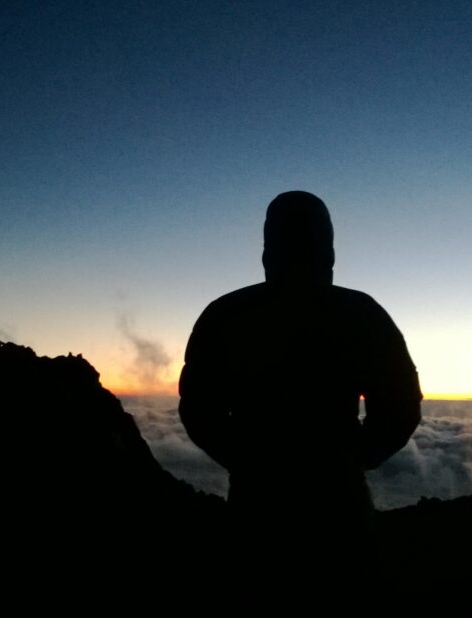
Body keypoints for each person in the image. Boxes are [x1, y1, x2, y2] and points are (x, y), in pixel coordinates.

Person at [179, 191, 422, 525]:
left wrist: (248, 462)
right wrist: (348, 461)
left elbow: (199, 409)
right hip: (341, 504)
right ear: (331, 252)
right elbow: (401, 406)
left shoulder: (225, 315)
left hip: (256, 503)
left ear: (266, 253)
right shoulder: (362, 315)